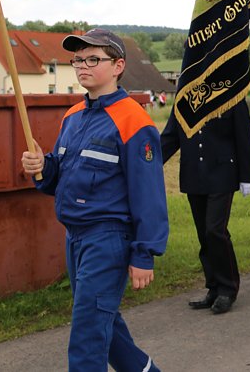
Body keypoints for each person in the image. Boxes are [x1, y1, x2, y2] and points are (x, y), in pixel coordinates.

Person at [20, 28, 168, 372]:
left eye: (92, 59)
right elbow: (58, 176)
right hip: (75, 237)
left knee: (87, 340)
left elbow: (149, 194)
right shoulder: (73, 116)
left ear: (118, 65)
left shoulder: (135, 121)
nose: (82, 66)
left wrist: (144, 254)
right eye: (77, 59)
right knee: (106, 328)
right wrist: (42, 166)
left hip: (108, 240)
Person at [161, 100, 250, 314]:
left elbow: (243, 134)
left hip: (223, 173)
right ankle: (213, 287)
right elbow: (171, 136)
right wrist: (146, 163)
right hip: (194, 174)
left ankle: (228, 289)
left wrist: (248, 174)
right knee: (204, 234)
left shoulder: (232, 95)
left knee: (215, 230)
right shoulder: (185, 97)